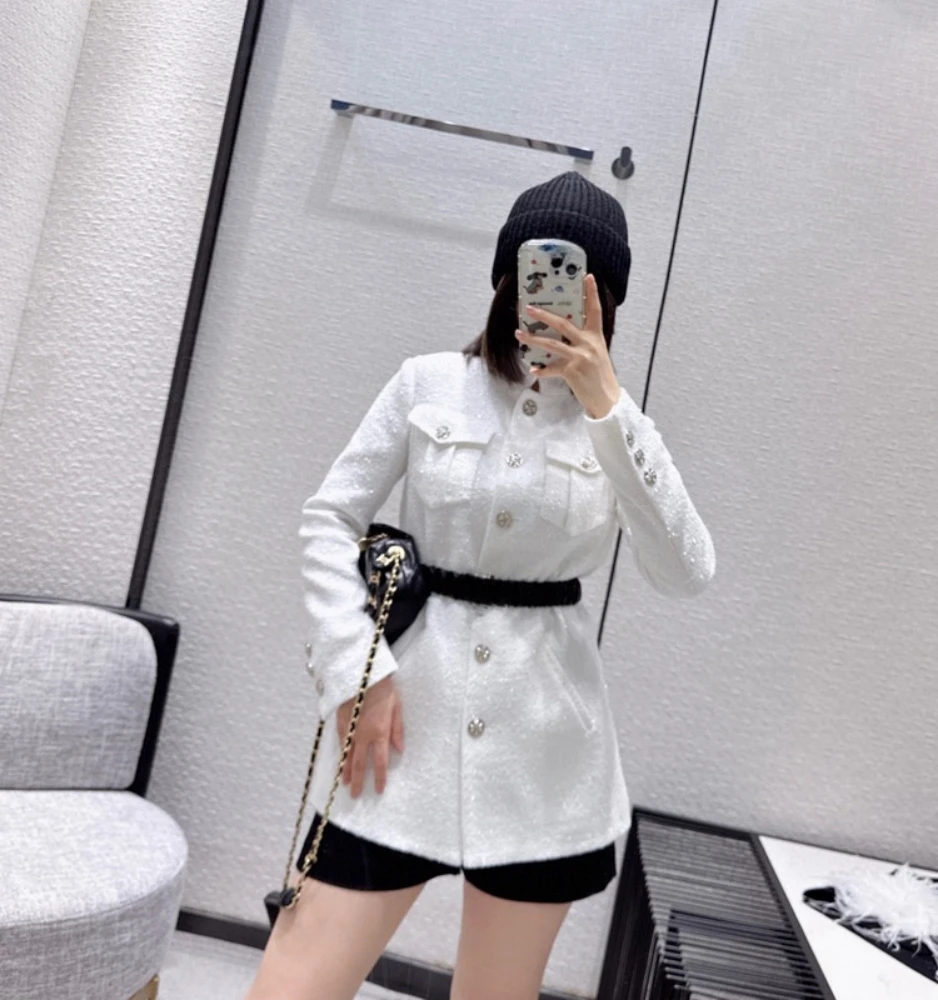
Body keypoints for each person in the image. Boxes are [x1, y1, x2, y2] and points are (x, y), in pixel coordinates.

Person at [244, 171, 716, 1000]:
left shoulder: (619, 428)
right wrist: (355, 672)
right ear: (507, 277)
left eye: (579, 286)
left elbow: (685, 571)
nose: (550, 301)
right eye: (537, 273)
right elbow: (329, 519)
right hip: (398, 729)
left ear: (605, 303)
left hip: (545, 757)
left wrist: (608, 407)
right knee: (294, 985)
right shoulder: (427, 384)